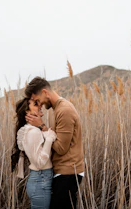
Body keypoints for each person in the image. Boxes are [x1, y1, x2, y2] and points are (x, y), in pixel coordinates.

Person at [25, 77, 85, 209]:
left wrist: (42, 127)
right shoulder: (55, 109)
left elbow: (61, 148)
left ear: (45, 92)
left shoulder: (64, 111)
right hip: (61, 172)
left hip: (68, 172)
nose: (39, 104)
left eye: (38, 100)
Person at [11, 97, 57, 209]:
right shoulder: (33, 132)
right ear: (27, 111)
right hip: (40, 181)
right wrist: (50, 139)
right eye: (36, 104)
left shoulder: (32, 130)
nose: (40, 105)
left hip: (40, 180)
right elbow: (40, 163)